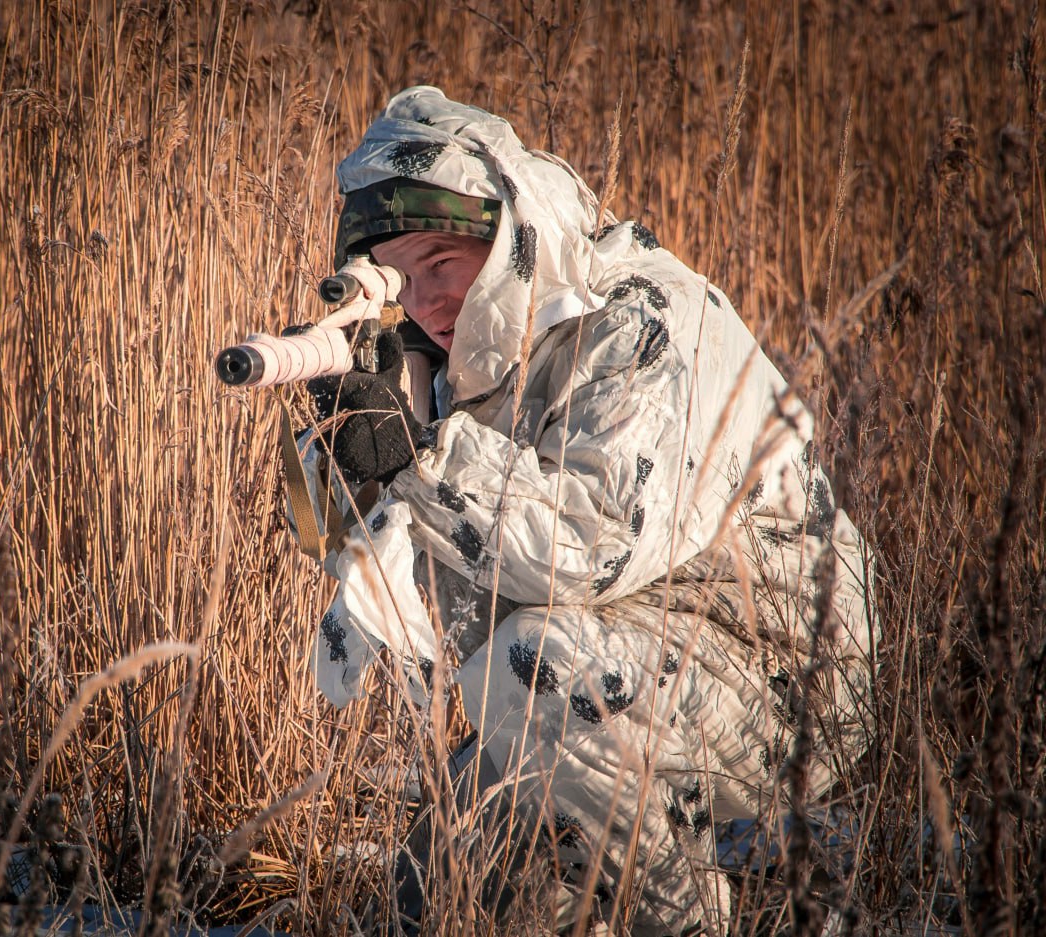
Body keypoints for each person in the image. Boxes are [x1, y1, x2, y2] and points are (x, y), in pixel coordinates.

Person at [299, 87, 875, 936]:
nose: (424, 303)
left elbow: (583, 545)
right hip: (628, 651)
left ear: (505, 236)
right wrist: (355, 461)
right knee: (447, 882)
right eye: (402, 281)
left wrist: (422, 456)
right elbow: (439, 604)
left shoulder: (639, 317)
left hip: (788, 664)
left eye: (443, 266)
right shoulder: (476, 359)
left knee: (527, 669)